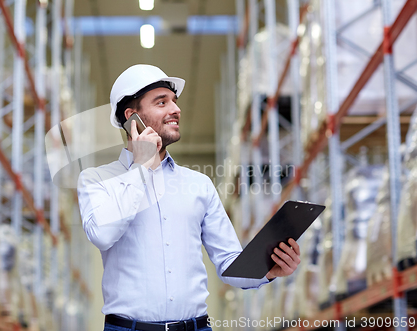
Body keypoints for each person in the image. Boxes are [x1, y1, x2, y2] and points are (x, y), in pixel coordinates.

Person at [77, 64, 301, 331]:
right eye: (162, 102)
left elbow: (229, 261)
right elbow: (102, 235)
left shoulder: (199, 185)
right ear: (132, 117)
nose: (175, 109)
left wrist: (267, 269)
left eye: (174, 101)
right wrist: (141, 167)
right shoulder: (97, 179)